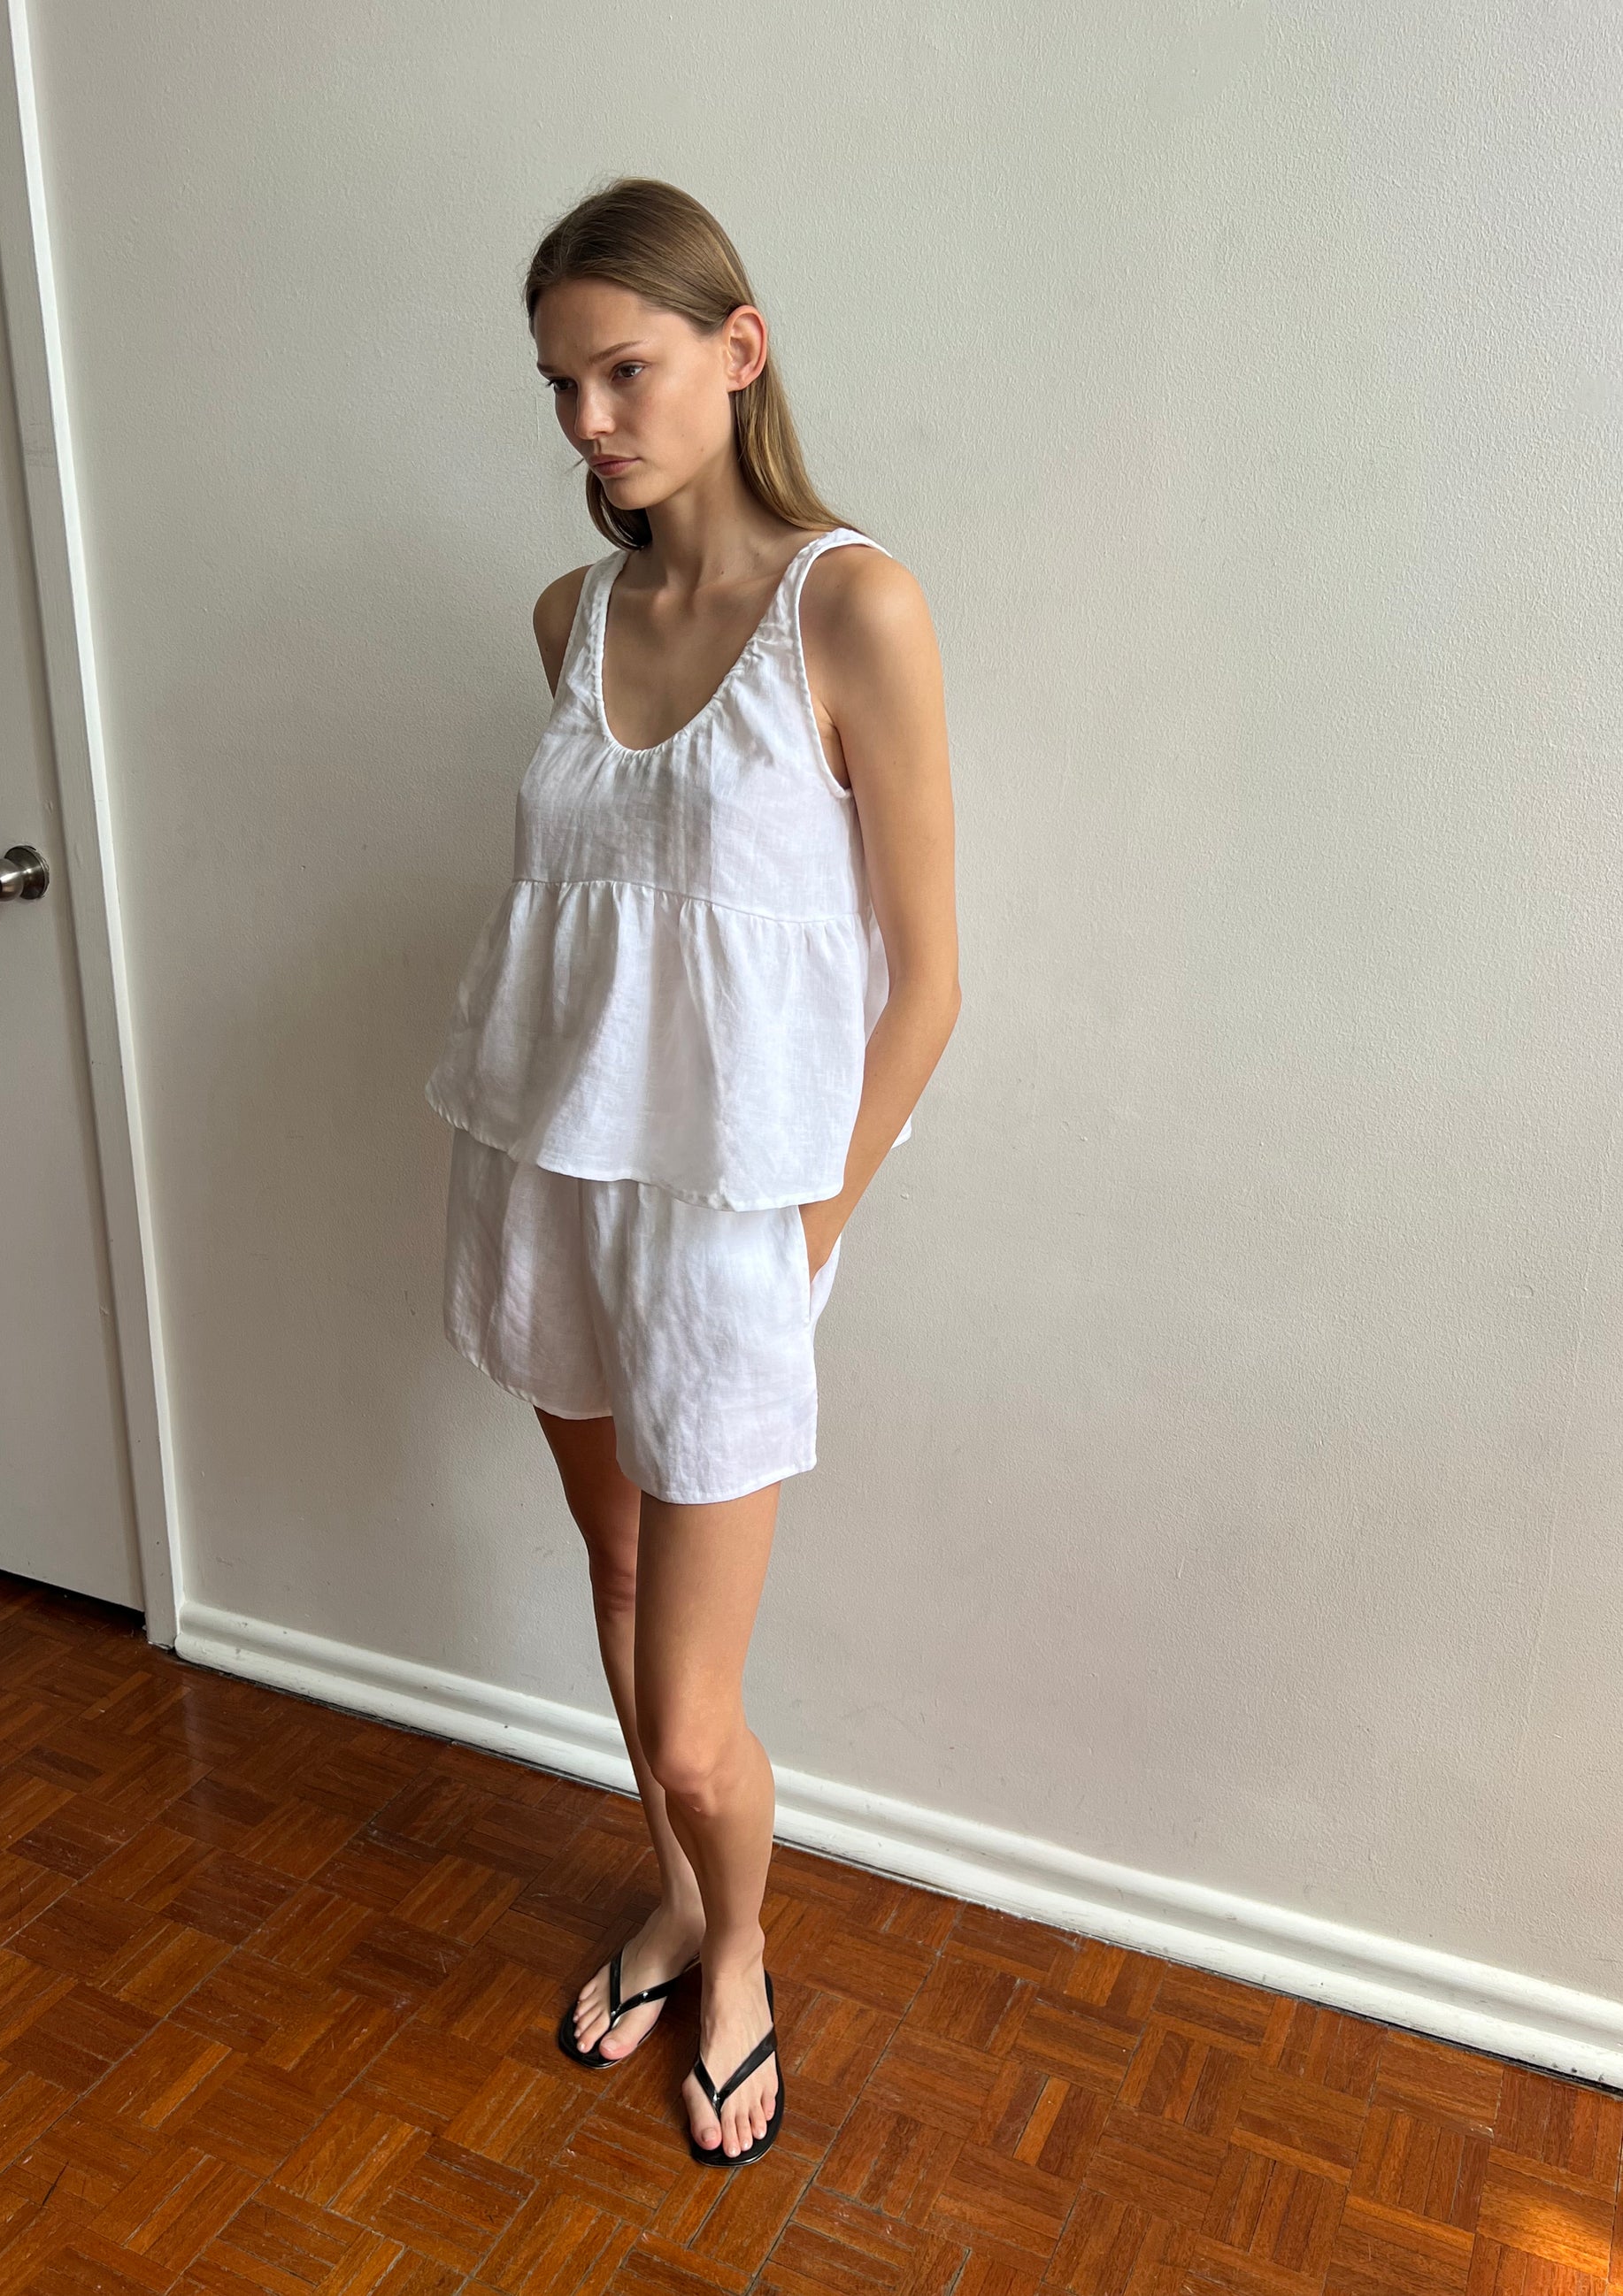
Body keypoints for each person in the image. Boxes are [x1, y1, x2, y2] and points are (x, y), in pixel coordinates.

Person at [424, 176, 960, 2166]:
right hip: (550, 1175)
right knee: (618, 1564)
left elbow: (928, 980)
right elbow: (600, 938)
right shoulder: (568, 618)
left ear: (737, 350)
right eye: (559, 383)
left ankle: (733, 1940)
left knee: (685, 1709)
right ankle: (668, 1888)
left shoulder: (851, 605)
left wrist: (797, 1237)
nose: (587, 420)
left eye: (623, 368)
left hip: (729, 1222)